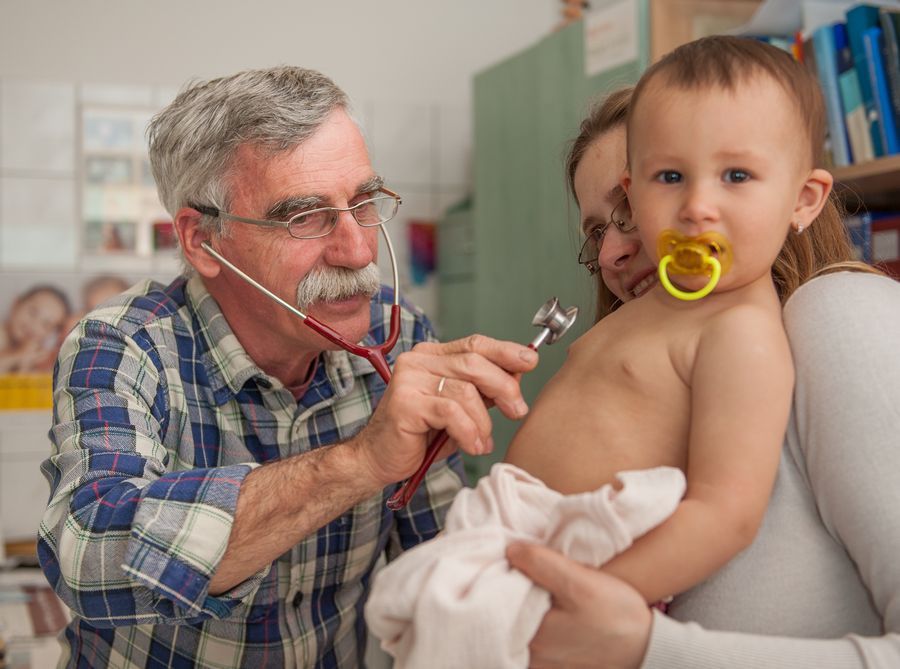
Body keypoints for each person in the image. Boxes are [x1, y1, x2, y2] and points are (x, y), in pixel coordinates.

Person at [366, 35, 847, 666]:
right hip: (507, 545)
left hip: (577, 583)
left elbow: (725, 514)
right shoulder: (657, 311)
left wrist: (589, 600)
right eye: (669, 179)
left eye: (736, 175)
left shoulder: (742, 332)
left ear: (803, 201)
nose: (698, 206)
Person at [37, 66, 538, 668]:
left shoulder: (399, 340)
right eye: (304, 217)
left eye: (362, 204)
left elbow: (444, 556)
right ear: (203, 241)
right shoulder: (123, 346)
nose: (357, 251)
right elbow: (88, 556)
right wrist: (357, 462)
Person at [507, 41, 900, 668]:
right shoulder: (658, 370)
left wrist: (649, 649)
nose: (610, 252)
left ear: (798, 198)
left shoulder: (834, 316)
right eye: (596, 231)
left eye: (627, 213)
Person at [0, 284, 70, 374]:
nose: (35, 325)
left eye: (46, 325)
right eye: (33, 313)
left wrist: (25, 365)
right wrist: (18, 356)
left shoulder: (37, 354)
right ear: (16, 303)